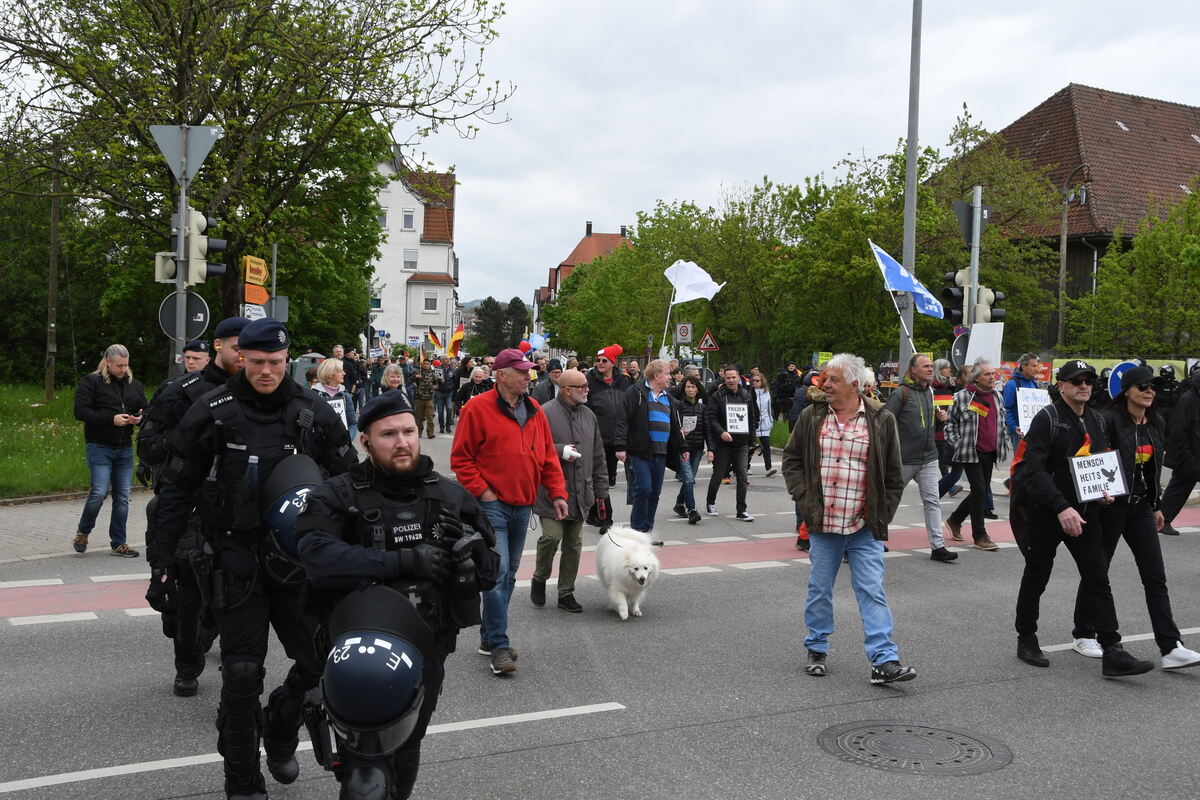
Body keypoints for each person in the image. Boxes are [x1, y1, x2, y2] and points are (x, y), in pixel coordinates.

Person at [154, 318, 356, 800]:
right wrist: (162, 560)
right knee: (242, 676)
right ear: (241, 356)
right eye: (258, 361)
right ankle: (242, 782)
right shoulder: (213, 410)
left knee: (321, 664)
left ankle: (282, 727)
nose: (266, 371)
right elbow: (177, 487)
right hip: (235, 554)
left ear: (289, 361)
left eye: (276, 363)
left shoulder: (313, 411)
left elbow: (351, 480)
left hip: (298, 560)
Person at [295, 389, 498, 800]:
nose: (402, 441)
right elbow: (315, 556)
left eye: (408, 431)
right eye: (388, 434)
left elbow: (492, 570)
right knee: (362, 770)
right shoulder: (337, 494)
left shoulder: (451, 496)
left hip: (427, 644)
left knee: (406, 746)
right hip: (357, 648)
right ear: (365, 441)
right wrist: (403, 563)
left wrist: (469, 561)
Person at [1010, 359, 1153, 677]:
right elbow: (1034, 470)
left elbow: (1100, 463)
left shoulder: (1097, 421)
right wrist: (1061, 507)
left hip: (1086, 514)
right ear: (1061, 386)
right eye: (1076, 381)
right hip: (1048, 513)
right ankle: (1027, 637)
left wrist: (1105, 489)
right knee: (1037, 577)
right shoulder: (1047, 419)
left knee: (1097, 578)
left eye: (1088, 380)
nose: (1084, 385)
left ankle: (1112, 650)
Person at [781, 353, 915, 684]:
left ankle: (884, 660)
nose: (825, 384)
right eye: (825, 378)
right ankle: (816, 647)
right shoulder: (812, 416)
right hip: (823, 524)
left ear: (855, 384)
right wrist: (804, 498)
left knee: (872, 590)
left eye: (834, 380)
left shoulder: (881, 420)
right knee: (819, 589)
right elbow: (792, 459)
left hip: (863, 525)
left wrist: (881, 515)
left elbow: (894, 475)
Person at [139, 315, 249, 697]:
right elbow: (149, 446)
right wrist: (190, 439)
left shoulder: (260, 392)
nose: (246, 355)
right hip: (189, 502)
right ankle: (187, 662)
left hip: (237, 509)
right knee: (187, 594)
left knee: (233, 591)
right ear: (219, 346)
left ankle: (210, 639)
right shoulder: (182, 390)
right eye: (238, 346)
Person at [1069, 364, 1200, 669]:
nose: (1150, 392)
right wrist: (1098, 493)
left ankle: (1171, 647)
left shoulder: (1155, 423)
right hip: (1111, 508)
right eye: (1143, 387)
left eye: (1152, 387)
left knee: (1155, 577)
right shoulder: (1108, 420)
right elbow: (1094, 459)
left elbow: (1152, 471)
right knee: (1098, 571)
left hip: (1141, 508)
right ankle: (1083, 633)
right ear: (1127, 390)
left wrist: (1157, 506)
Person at [450, 348, 568, 676]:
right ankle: (500, 645)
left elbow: (546, 457)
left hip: (524, 506)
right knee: (499, 573)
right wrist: (484, 493)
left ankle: (489, 637)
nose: (528, 377)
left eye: (529, 371)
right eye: (521, 372)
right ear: (501, 375)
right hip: (493, 507)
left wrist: (557, 493)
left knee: (509, 574)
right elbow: (461, 459)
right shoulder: (477, 408)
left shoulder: (533, 410)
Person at [530, 369, 608, 613]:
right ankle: (540, 577)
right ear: (566, 390)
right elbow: (531, 448)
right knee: (552, 537)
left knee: (574, 544)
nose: (587, 389)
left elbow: (598, 454)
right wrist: (559, 449)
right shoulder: (544, 413)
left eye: (586, 385)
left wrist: (601, 489)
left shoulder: (589, 415)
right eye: (582, 386)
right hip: (550, 492)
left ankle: (566, 592)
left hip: (581, 491)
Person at [72, 344, 145, 557]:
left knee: (122, 496)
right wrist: (110, 419)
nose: (123, 370)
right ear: (107, 362)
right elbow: (80, 411)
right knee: (99, 491)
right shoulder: (91, 382)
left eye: (126, 365)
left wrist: (138, 418)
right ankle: (83, 532)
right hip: (99, 445)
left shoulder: (134, 385)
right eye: (119, 366)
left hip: (124, 448)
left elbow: (145, 409)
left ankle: (119, 542)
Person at [885, 354, 957, 563]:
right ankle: (870, 540)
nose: (929, 369)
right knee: (888, 501)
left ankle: (938, 546)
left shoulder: (930, 393)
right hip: (904, 459)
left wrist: (940, 421)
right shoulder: (901, 393)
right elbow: (886, 424)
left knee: (932, 501)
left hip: (928, 457)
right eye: (925, 366)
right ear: (913, 370)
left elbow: (929, 427)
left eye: (930, 367)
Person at [943, 359, 1009, 551]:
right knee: (980, 490)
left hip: (991, 451)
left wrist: (1004, 437)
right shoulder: (962, 397)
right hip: (970, 451)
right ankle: (980, 535)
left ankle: (955, 520)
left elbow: (1001, 421)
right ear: (976, 377)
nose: (992, 377)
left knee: (980, 490)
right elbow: (951, 423)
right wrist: (957, 443)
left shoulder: (997, 396)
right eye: (987, 374)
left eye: (993, 374)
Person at [619, 359, 686, 543]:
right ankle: (637, 532)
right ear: (656, 375)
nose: (670, 377)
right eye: (666, 374)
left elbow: (675, 425)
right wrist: (621, 447)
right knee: (644, 488)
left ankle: (647, 530)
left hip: (661, 452)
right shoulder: (637, 392)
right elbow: (623, 419)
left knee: (654, 492)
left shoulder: (669, 398)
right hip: (640, 451)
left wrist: (683, 447)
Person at [705, 365, 757, 522]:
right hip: (723, 445)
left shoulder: (746, 395)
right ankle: (710, 502)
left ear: (739, 377)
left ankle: (741, 510)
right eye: (728, 378)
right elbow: (711, 418)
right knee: (718, 475)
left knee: (742, 476)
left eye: (734, 377)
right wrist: (721, 432)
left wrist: (752, 442)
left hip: (741, 444)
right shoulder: (717, 397)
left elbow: (751, 418)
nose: (731, 380)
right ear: (724, 378)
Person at [1160, 362, 1200, 536]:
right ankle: (1162, 520)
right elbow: (1180, 431)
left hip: (1193, 453)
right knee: (1178, 489)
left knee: (1178, 489)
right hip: (1188, 455)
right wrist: (1187, 458)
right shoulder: (1189, 399)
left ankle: (1163, 519)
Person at [585, 344, 633, 486]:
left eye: (604, 360)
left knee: (622, 479)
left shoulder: (625, 380)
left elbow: (631, 405)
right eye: (598, 360)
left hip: (622, 437)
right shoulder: (589, 381)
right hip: (600, 438)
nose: (600, 363)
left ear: (613, 362)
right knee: (602, 480)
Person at [672, 375, 707, 525]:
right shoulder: (678, 406)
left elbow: (707, 429)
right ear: (684, 389)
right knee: (688, 478)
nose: (690, 389)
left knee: (689, 479)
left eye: (693, 387)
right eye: (688, 387)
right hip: (683, 448)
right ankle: (691, 510)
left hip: (698, 448)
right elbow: (674, 427)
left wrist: (711, 449)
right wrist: (681, 433)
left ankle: (679, 504)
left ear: (698, 389)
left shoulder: (702, 407)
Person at [1003, 353, 1043, 453]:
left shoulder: (1034, 383)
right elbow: (1007, 409)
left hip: (1033, 431)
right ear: (1023, 366)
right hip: (1019, 433)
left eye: (1037, 366)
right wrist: (1013, 427)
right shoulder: (1012, 384)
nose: (1036, 369)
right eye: (1033, 366)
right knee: (1021, 463)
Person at [312, 357, 358, 440]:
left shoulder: (345, 395)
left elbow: (353, 424)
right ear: (330, 374)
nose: (344, 373)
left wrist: (347, 439)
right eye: (341, 371)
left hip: (341, 448)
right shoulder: (313, 395)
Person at [750, 373, 776, 476]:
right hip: (753, 423)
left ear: (762, 382)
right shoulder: (750, 392)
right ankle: (746, 466)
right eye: (754, 380)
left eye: (757, 380)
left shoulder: (767, 393)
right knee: (751, 446)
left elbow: (769, 408)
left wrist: (770, 420)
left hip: (764, 422)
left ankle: (769, 467)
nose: (755, 382)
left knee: (766, 445)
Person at [412, 360, 438, 439]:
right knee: (419, 418)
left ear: (430, 365)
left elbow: (436, 384)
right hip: (419, 399)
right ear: (422, 365)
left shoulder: (433, 374)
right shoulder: (418, 372)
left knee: (430, 417)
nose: (426, 365)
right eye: (424, 364)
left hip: (429, 399)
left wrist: (435, 387)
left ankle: (430, 433)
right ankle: (418, 432)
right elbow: (409, 381)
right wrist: (415, 377)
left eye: (428, 364)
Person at [433, 359, 456, 433]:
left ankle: (448, 426)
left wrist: (452, 387)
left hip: (449, 392)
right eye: (445, 359)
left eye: (448, 359)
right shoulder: (438, 369)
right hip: (439, 392)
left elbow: (455, 381)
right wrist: (439, 380)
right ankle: (441, 427)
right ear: (442, 361)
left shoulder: (453, 370)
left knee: (449, 409)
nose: (447, 361)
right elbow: (434, 380)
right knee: (440, 411)